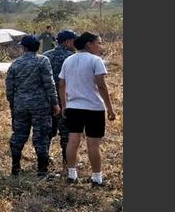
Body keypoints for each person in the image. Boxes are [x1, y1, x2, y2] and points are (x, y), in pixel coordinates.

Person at [58, 32, 117, 186]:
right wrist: (110, 108)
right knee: (93, 144)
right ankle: (97, 178)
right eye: (98, 43)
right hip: (93, 108)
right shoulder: (96, 61)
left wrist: (65, 104)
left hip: (74, 107)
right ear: (89, 44)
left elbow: (61, 84)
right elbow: (101, 86)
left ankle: (72, 174)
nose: (100, 46)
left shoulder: (68, 60)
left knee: (73, 141)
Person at [6, 35, 61, 177]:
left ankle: (15, 168)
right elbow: (49, 83)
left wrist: (13, 104)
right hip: (40, 105)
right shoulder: (43, 61)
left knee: (18, 135)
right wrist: (55, 102)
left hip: (21, 105)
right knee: (41, 136)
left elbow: (9, 87)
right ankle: (42, 171)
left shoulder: (15, 64)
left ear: (24, 47)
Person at [43, 30, 77, 165]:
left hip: (48, 100)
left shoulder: (45, 56)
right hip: (66, 100)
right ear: (67, 42)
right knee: (66, 133)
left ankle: (45, 158)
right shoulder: (72, 57)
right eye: (74, 41)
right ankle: (67, 162)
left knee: (47, 132)